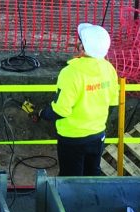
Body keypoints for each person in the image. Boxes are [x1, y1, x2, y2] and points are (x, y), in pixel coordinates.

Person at [35, 22, 119, 176]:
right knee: (92, 175)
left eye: (79, 40)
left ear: (82, 47)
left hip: (72, 138)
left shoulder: (70, 73)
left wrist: (41, 113)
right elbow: (112, 104)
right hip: (97, 134)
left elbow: (61, 110)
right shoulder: (109, 68)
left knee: (70, 179)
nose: (77, 42)